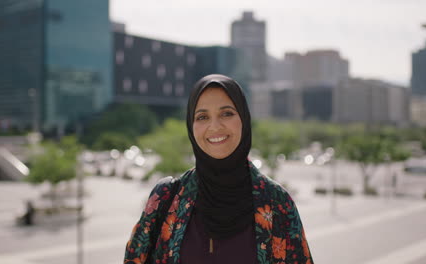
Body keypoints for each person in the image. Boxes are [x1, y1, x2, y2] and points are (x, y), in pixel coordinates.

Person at [124, 74, 313, 264]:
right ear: (191, 125)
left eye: (227, 113)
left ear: (244, 120)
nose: (214, 126)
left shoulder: (277, 203)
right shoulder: (166, 198)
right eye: (202, 116)